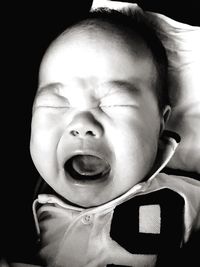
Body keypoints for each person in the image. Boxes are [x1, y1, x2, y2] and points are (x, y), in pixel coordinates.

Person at [3, 5, 200, 267]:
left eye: (114, 103)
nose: (82, 124)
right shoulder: (17, 217)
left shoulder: (187, 201)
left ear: (160, 123)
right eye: (56, 104)